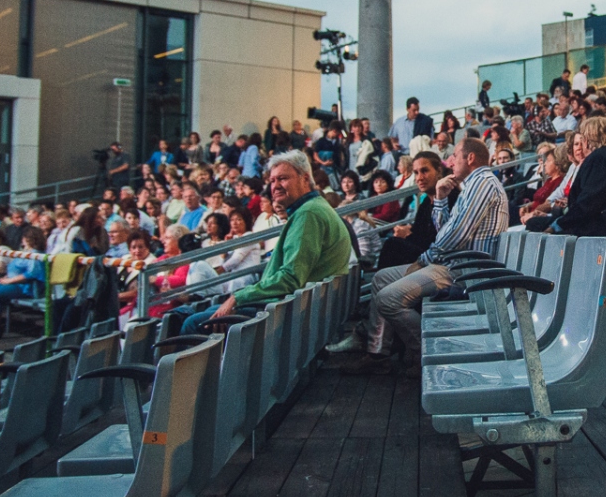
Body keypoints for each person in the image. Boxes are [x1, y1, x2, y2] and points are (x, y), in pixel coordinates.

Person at [350, 137, 508, 373]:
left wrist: (424, 259)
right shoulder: (472, 185)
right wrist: (441, 198)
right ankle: (378, 353)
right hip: (453, 263)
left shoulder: (483, 183)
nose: (451, 162)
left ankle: (425, 354)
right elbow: (444, 231)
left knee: (388, 299)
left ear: (470, 158)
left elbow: (456, 235)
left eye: (455, 156)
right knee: (381, 278)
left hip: (464, 270)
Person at [179, 150, 352, 334]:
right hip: (291, 309)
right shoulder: (314, 208)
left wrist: (238, 297)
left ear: (305, 179)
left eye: (283, 178)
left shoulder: (308, 214)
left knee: (191, 323)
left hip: (282, 316)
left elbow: (290, 278)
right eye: (272, 180)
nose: (275, 186)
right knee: (185, 313)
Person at [549, 117, 606, 238]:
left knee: (536, 225)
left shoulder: (600, 158)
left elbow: (589, 201)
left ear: (588, 140)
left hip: (604, 227)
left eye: (582, 139)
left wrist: (558, 225)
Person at [0, 227, 47, 339]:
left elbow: (31, 274)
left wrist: (9, 280)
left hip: (26, 287)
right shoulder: (25, 252)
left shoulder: (35, 254)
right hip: (14, 282)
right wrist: (8, 277)